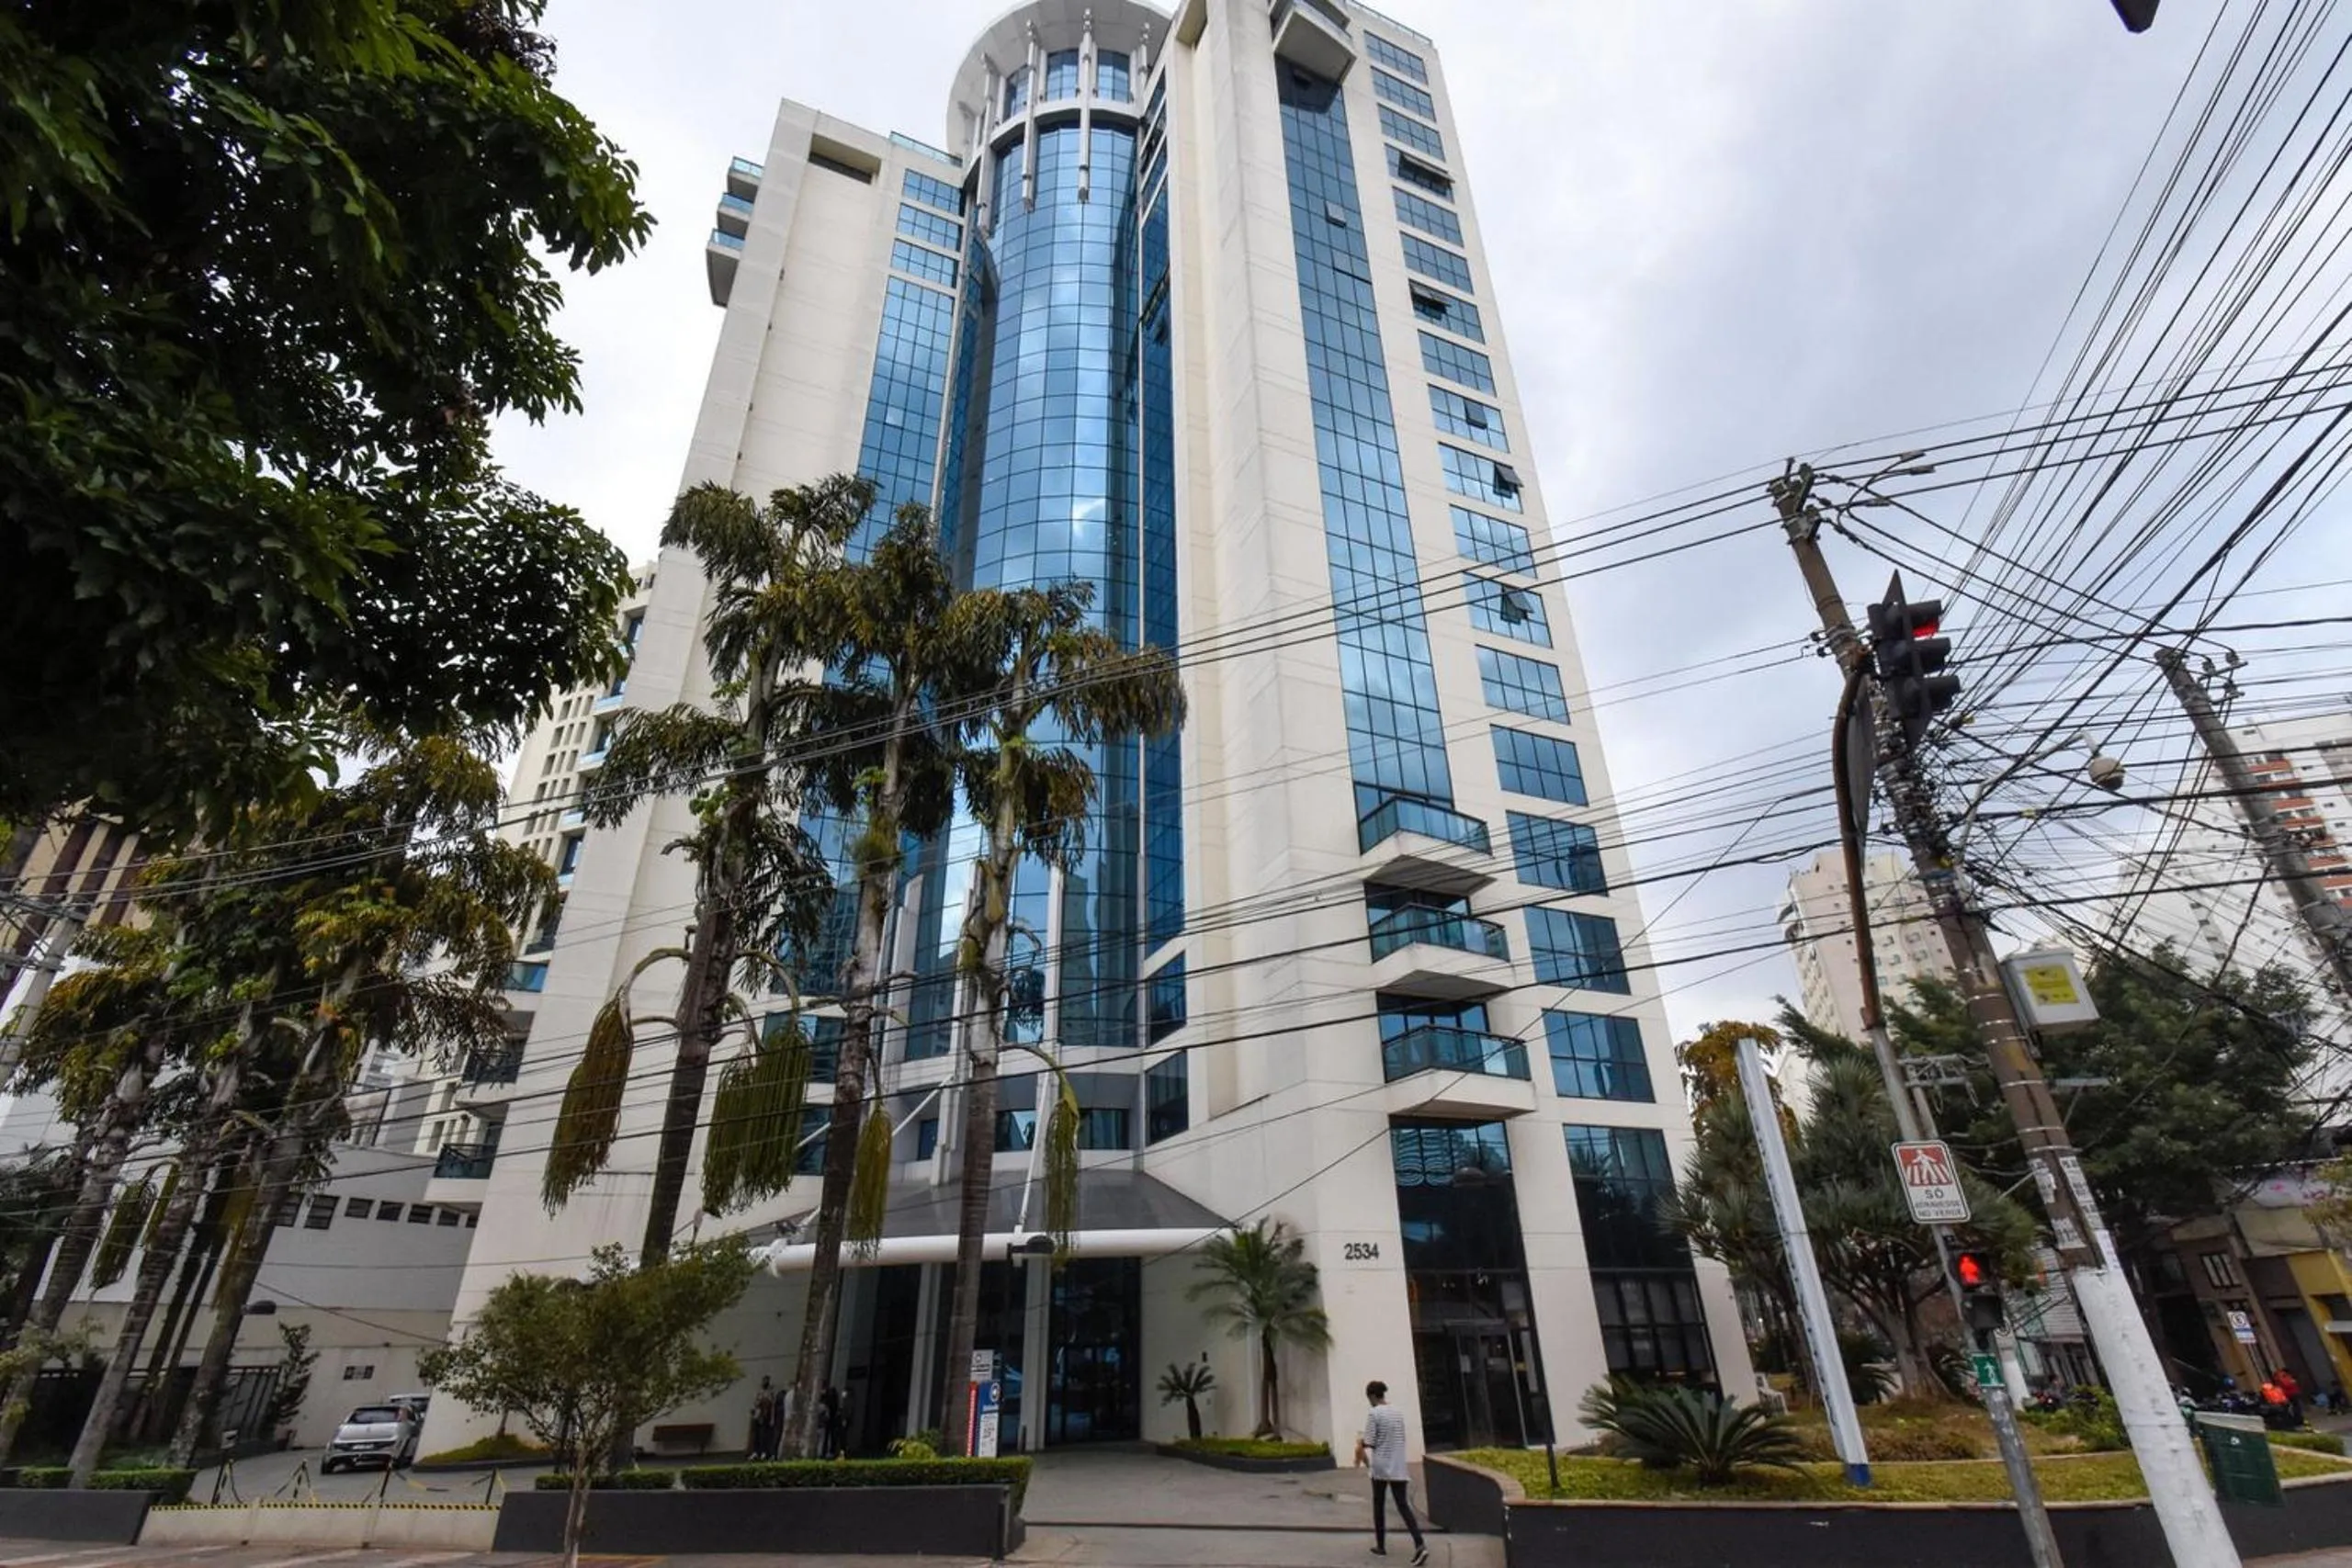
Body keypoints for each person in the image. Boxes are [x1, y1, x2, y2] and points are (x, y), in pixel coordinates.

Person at [1352, 1380, 1427, 1565]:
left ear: (1372, 1396)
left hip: (1381, 1467)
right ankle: (1420, 1544)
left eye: (1368, 1398)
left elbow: (1370, 1441)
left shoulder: (1374, 1413)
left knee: (1378, 1505)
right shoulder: (1397, 1411)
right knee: (1403, 1505)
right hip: (1398, 1466)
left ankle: (1381, 1546)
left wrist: (1360, 1442)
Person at [750, 1376, 778, 1461]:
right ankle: (755, 1452)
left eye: (766, 1381)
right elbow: (755, 1403)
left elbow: (772, 1406)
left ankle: (764, 1452)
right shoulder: (759, 1392)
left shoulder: (770, 1393)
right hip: (758, 1415)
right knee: (756, 1435)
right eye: (764, 1381)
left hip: (766, 1416)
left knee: (764, 1435)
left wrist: (772, 1418)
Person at [829, 1385, 854, 1460]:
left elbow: (847, 1412)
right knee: (840, 1437)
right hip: (841, 1420)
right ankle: (841, 1452)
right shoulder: (845, 1401)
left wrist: (845, 1420)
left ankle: (843, 1452)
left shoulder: (848, 1402)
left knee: (842, 1438)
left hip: (844, 1420)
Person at [814, 1386, 838, 1460]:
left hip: (817, 1425)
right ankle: (821, 1453)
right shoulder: (826, 1407)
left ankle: (817, 1453)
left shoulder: (817, 1406)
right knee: (823, 1441)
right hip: (823, 1426)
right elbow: (828, 1417)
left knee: (818, 1440)